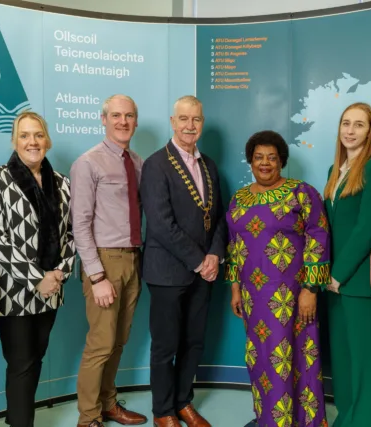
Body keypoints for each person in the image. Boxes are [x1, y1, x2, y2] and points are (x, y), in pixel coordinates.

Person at [0, 111, 76, 427]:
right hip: (10, 290)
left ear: (47, 140)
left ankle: (18, 419)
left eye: (38, 135)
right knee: (20, 362)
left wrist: (60, 272)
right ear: (14, 140)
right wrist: (37, 278)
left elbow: (72, 234)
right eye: (24, 135)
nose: (32, 141)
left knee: (34, 360)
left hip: (51, 288)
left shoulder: (62, 183)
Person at [226, 130, 330, 427]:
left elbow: (318, 237)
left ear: (282, 161)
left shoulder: (301, 192)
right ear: (250, 161)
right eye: (259, 157)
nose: (265, 163)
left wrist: (311, 288)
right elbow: (233, 245)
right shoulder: (239, 199)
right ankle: (268, 419)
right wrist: (234, 288)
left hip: (293, 297)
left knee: (293, 359)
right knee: (260, 360)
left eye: (272, 157)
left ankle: (301, 421)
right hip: (252, 298)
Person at [140, 95, 227, 427]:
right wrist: (199, 260)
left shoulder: (209, 165)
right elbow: (161, 224)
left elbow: (219, 217)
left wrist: (215, 255)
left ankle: (183, 402)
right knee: (165, 345)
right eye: (184, 119)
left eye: (197, 120)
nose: (191, 126)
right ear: (173, 122)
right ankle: (163, 411)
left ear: (202, 123)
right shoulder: (155, 164)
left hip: (203, 272)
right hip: (167, 272)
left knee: (194, 340)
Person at [70, 94, 147, 427]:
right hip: (105, 261)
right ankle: (88, 418)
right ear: (104, 119)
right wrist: (97, 276)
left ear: (136, 121)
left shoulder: (138, 162)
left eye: (129, 115)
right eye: (116, 115)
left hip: (133, 258)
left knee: (119, 340)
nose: (123, 122)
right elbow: (80, 224)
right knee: (101, 343)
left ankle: (108, 405)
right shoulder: (88, 163)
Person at [322, 102, 371, 427]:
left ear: (370, 131)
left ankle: (364, 422)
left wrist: (338, 274)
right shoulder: (334, 171)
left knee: (364, 360)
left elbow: (369, 227)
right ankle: (347, 418)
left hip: (359, 282)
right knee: (343, 359)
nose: (350, 130)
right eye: (345, 123)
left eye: (359, 125)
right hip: (333, 283)